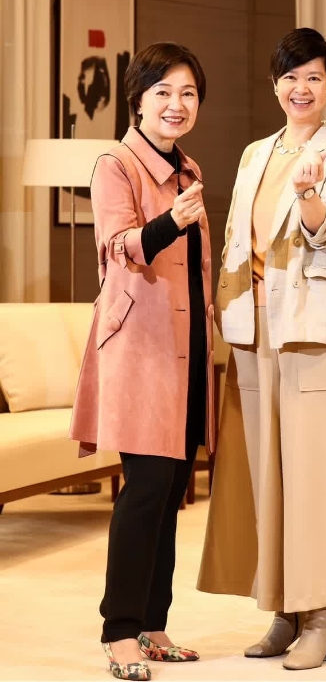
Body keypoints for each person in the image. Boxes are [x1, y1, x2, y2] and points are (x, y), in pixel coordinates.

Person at [197, 28, 326, 671]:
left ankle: (321, 617)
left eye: (313, 78)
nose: (300, 88)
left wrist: (308, 192)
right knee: (268, 474)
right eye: (290, 78)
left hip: (315, 329)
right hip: (254, 328)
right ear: (275, 85)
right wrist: (224, 308)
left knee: (317, 474)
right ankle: (282, 608)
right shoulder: (255, 153)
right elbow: (236, 236)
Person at [70, 42, 213, 680]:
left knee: (172, 491)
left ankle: (154, 624)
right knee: (146, 487)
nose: (176, 105)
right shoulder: (115, 163)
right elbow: (118, 243)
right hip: (143, 346)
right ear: (138, 100)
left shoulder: (189, 168)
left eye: (188, 94)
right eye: (164, 93)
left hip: (189, 346)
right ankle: (119, 630)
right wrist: (169, 223)